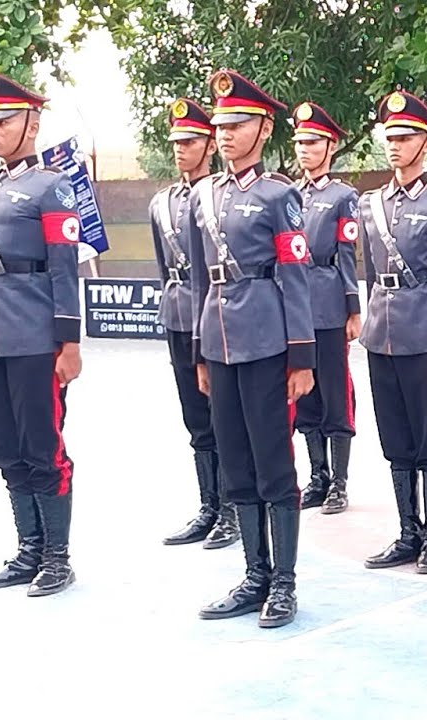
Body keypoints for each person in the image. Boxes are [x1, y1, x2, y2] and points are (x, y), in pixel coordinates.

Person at [191, 69, 315, 629]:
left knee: (272, 461)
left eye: (238, 124)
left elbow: (295, 275)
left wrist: (303, 356)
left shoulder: (280, 195)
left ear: (264, 129)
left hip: (267, 343)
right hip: (219, 343)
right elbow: (198, 277)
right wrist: (199, 351)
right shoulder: (203, 195)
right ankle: (253, 574)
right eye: (220, 125)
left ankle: (284, 583)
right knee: (235, 460)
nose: (226, 134)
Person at [0, 73, 82, 597]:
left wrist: (69, 342)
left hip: (36, 336)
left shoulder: (51, 187)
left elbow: (63, 268)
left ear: (32, 123)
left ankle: (57, 556)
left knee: (42, 445)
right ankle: (28, 548)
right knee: (4, 446)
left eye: (4, 121)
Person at [359, 90, 427, 574]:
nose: (395, 145)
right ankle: (406, 531)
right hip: (381, 331)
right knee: (394, 437)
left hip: (425, 331)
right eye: (390, 137)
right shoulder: (369, 204)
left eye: (406, 136)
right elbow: (372, 274)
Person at [151, 97, 240, 550]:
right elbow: (161, 265)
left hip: (215, 313)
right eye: (176, 142)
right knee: (195, 418)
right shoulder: (161, 202)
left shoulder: (218, 197)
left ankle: (231, 509)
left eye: (190, 141)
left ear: (209, 145)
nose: (181, 150)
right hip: (179, 314)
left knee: (222, 415)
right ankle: (208, 505)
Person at [291, 101, 361, 515]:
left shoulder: (342, 196)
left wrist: (352, 307)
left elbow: (346, 253)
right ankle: (317, 475)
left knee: (335, 391)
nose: (304, 150)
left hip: (328, 297)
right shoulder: (289, 195)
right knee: (304, 394)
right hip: (295, 302)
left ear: (330, 146)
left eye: (313, 142)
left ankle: (339, 481)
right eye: (300, 142)